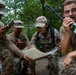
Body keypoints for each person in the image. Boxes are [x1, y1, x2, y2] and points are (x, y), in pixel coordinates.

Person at [0, 0, 29, 75]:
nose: (0, 16)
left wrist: (22, 54)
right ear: (13, 28)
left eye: (1, 14)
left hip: (14, 55)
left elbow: (8, 43)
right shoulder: (11, 35)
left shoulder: (1, 25)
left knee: (8, 52)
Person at [59, 0, 76, 75]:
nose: (70, 14)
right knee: (63, 69)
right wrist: (67, 32)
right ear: (63, 14)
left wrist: (71, 54)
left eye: (74, 10)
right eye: (67, 12)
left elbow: (68, 54)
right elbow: (64, 51)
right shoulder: (63, 28)